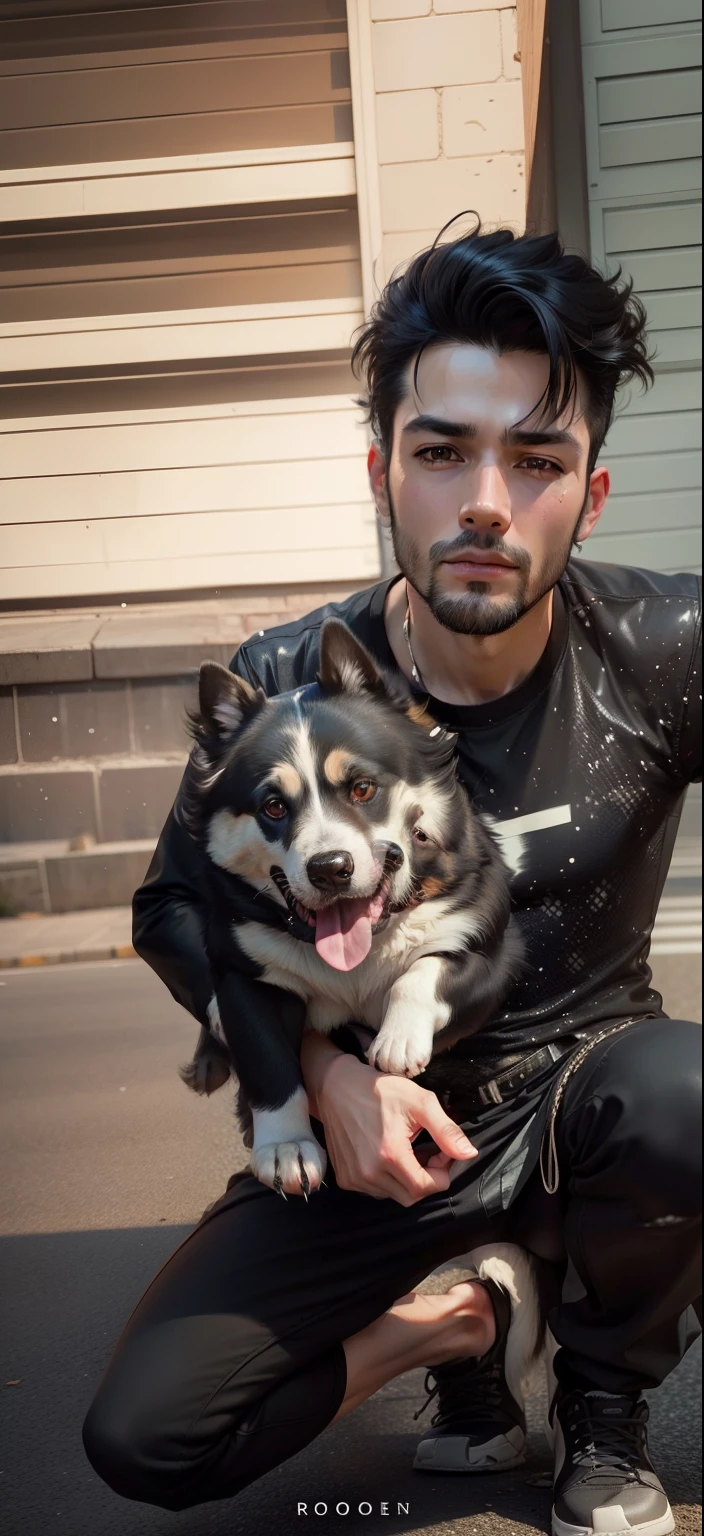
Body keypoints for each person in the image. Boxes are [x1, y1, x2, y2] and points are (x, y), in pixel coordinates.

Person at [82, 222, 702, 1536]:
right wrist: (325, 1080)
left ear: (588, 495)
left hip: (603, 1114)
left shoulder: (663, 648)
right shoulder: (290, 679)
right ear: (386, 473)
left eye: (535, 458)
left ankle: (603, 1406)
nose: (486, 497)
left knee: (681, 1095)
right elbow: (171, 905)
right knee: (149, 1436)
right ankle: (460, 1327)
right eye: (443, 452)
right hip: (382, 1154)